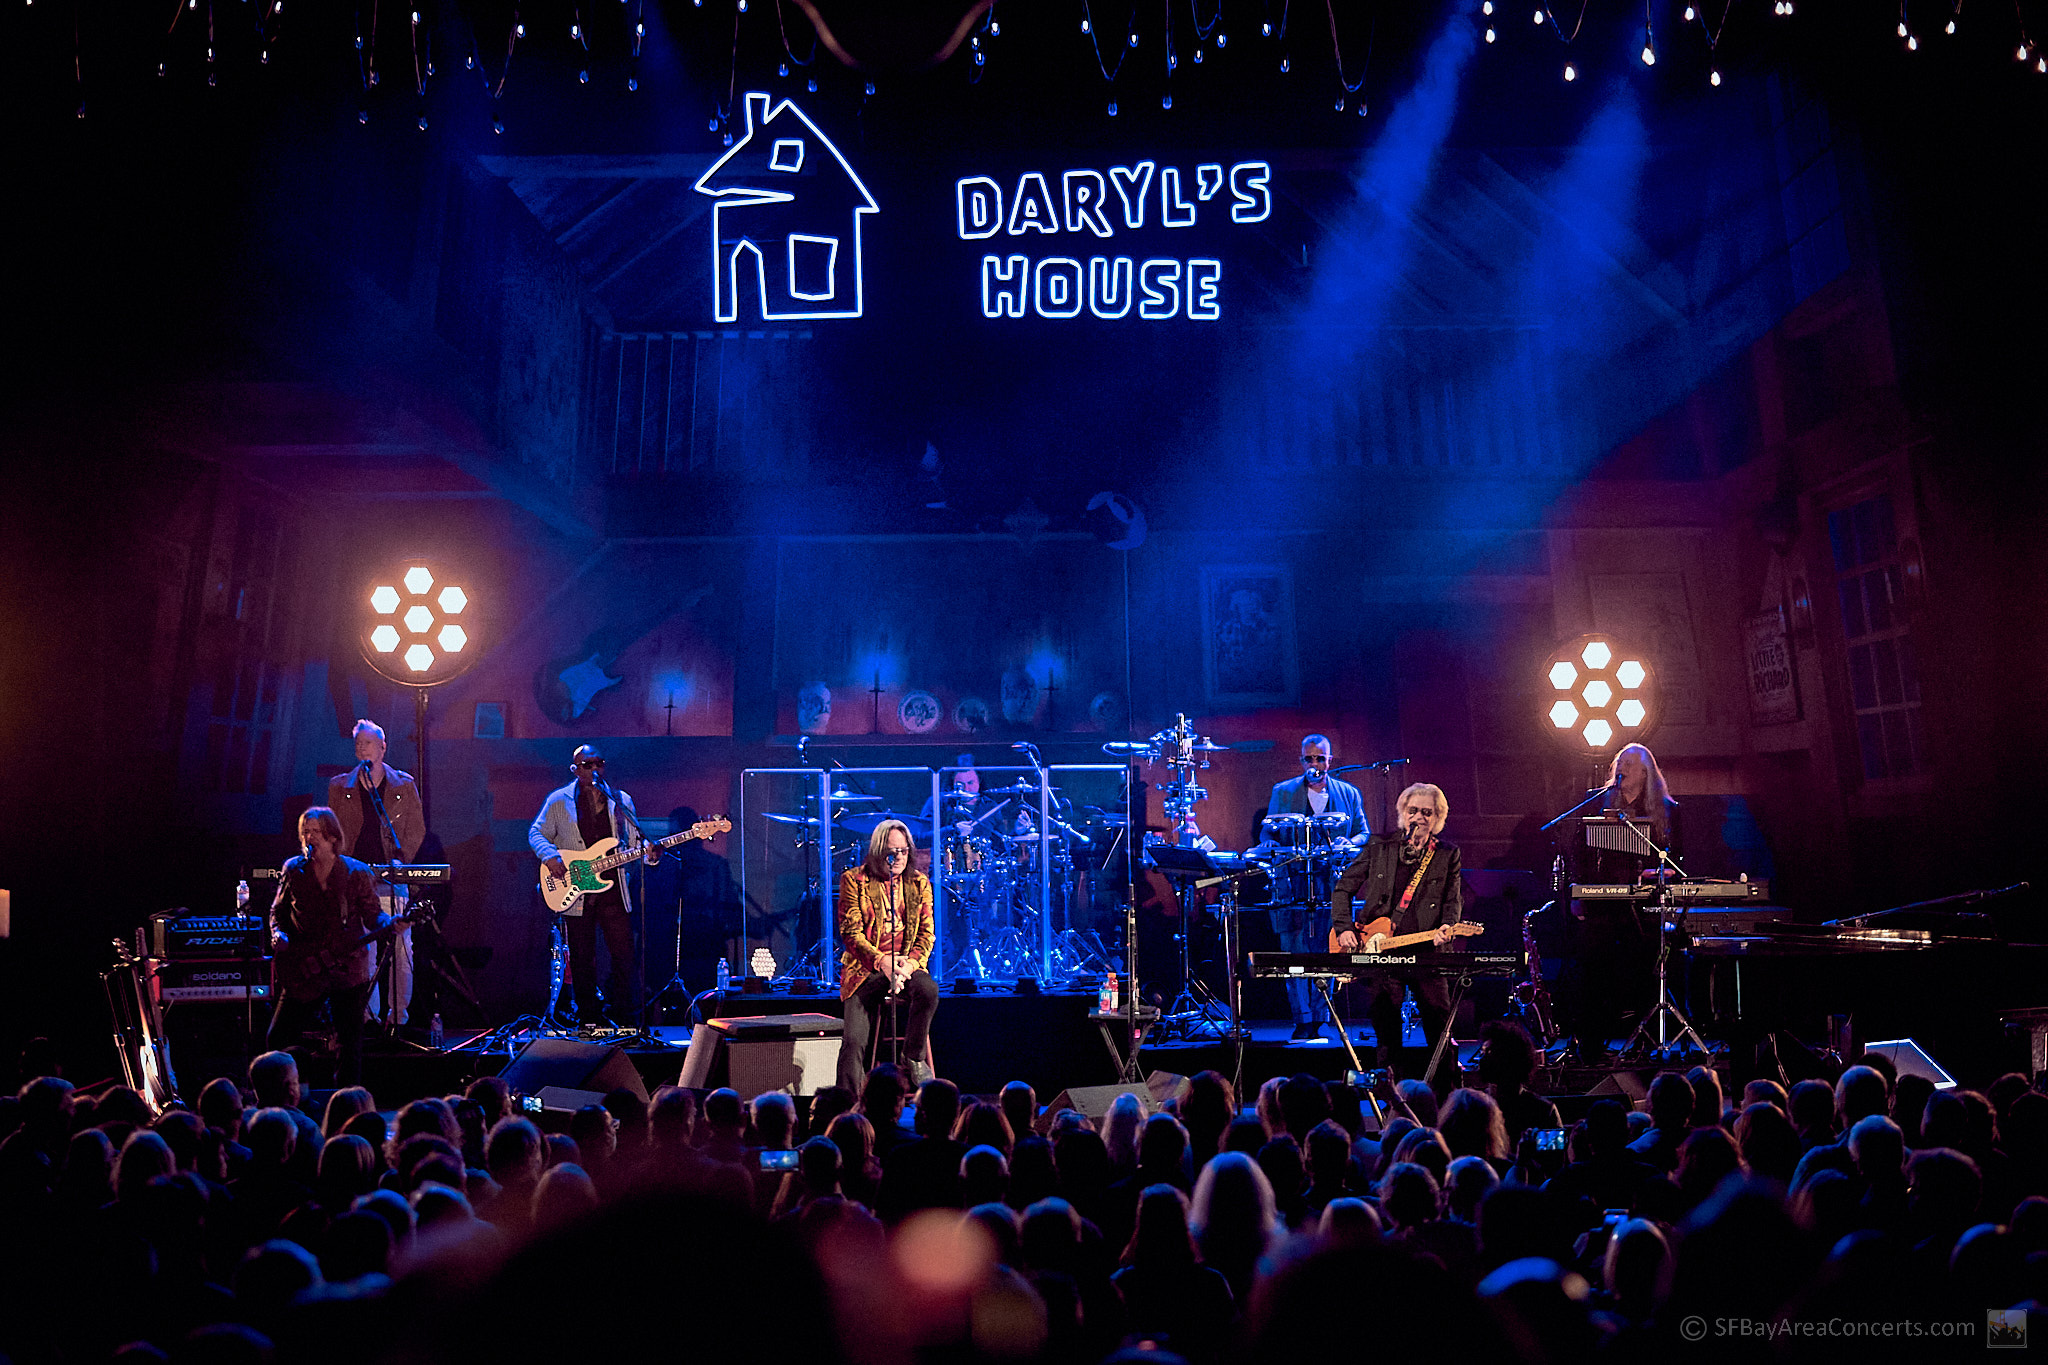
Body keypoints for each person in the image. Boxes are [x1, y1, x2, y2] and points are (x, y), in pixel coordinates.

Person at [1330, 782, 1463, 1084]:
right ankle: (1392, 1099)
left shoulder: (1447, 854)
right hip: (1380, 953)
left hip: (1427, 951)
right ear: (1403, 814)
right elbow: (1342, 889)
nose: (1418, 817)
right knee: (1387, 1033)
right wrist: (1344, 928)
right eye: (1413, 811)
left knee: (1439, 1028)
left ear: (1438, 818)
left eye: (1426, 812)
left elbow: (1453, 899)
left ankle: (1445, 1096)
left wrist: (1447, 926)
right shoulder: (1380, 846)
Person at [528, 744, 659, 1029]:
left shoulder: (620, 800)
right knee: (583, 958)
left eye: (598, 763)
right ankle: (589, 1019)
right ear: (575, 769)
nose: (594, 768)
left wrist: (648, 853)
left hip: (613, 889)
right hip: (576, 890)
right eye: (587, 764)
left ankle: (625, 1018)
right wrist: (550, 856)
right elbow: (536, 832)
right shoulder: (558, 800)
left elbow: (635, 843)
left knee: (624, 955)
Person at [267, 807, 390, 1086]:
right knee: (277, 1038)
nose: (308, 838)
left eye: (315, 832)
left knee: (349, 1045)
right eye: (305, 832)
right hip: (304, 968)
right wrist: (278, 934)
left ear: (332, 837)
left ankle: (348, 1109)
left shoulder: (356, 872)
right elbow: (278, 912)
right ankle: (284, 1098)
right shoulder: (294, 869)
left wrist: (391, 922)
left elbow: (373, 916)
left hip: (346, 971)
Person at [1263, 735, 1368, 1039]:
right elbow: (1266, 831)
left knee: (1328, 946)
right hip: (1293, 882)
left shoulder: (1349, 793)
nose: (1314, 764)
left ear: (1329, 761)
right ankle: (1302, 1018)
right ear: (1301, 761)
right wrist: (1268, 842)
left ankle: (1322, 1016)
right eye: (1308, 759)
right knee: (1294, 947)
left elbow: (1364, 832)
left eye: (1320, 759)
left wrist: (1351, 841)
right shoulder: (1282, 792)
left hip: (1332, 883)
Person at [328, 720, 427, 1028]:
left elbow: (416, 830)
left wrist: (401, 860)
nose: (361, 749)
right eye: (358, 744)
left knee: (400, 948)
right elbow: (333, 832)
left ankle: (397, 1017)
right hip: (356, 879)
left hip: (392, 877)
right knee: (364, 949)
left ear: (383, 747)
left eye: (367, 743)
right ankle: (367, 1018)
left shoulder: (403, 785)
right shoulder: (340, 785)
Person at [836, 820, 939, 1090]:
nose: (898, 858)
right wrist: (882, 961)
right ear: (878, 851)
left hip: (906, 966)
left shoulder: (919, 883)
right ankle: (849, 1103)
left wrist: (910, 964)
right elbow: (851, 933)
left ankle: (913, 1057)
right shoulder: (853, 880)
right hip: (865, 970)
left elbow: (927, 935)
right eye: (892, 852)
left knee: (928, 990)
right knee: (854, 1040)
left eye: (903, 851)